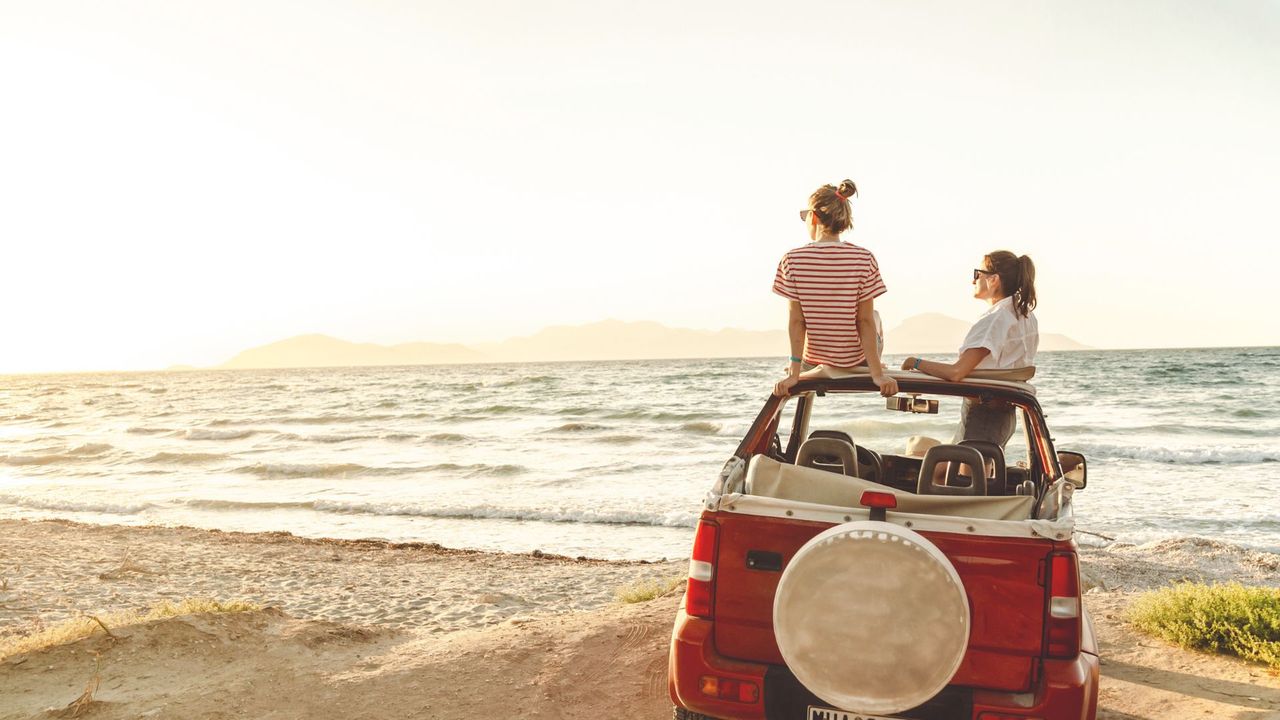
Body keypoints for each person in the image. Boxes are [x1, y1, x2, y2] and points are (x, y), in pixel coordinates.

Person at [772, 179, 897, 398]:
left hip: (813, 360)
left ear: (814, 216)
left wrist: (794, 372)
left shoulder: (791, 259)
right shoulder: (863, 258)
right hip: (858, 359)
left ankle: (805, 364)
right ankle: (874, 363)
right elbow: (864, 321)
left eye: (804, 216)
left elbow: (796, 321)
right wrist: (877, 374)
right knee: (874, 316)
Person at [901, 251, 1038, 447]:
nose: (972, 280)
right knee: (934, 456)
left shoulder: (995, 320)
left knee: (967, 475)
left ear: (994, 280)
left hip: (983, 413)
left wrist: (914, 362)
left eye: (977, 274)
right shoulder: (1025, 317)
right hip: (1005, 413)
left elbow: (956, 373)